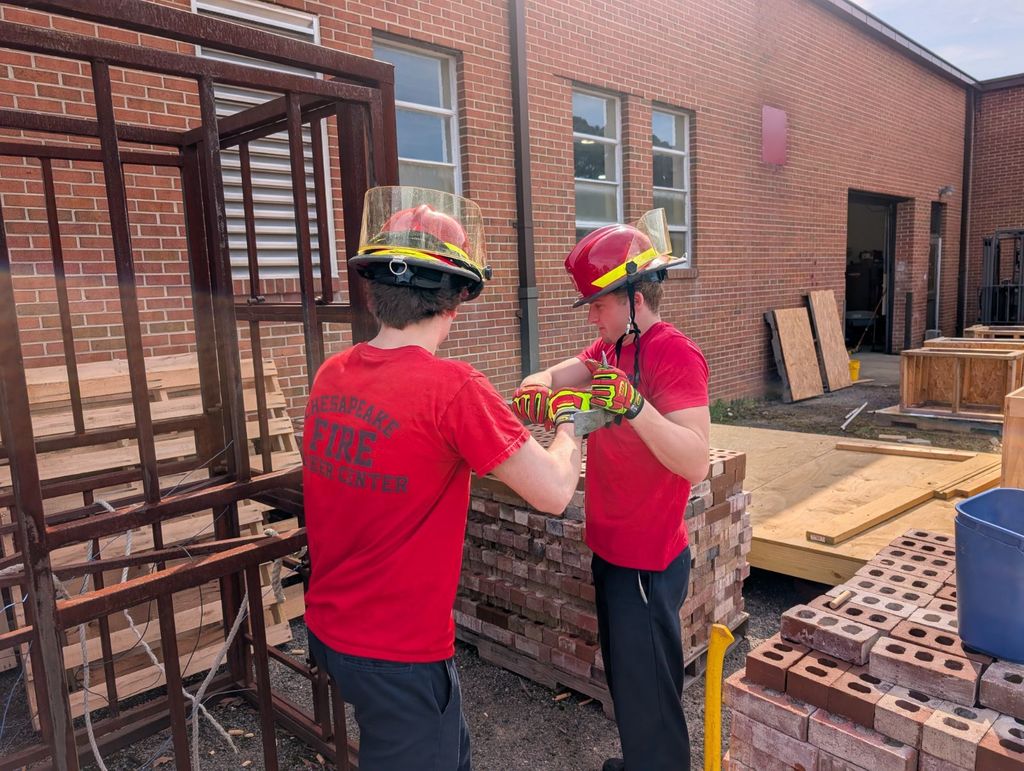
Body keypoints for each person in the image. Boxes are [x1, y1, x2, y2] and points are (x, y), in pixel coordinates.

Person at [303, 186, 586, 771]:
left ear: (375, 291)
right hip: (398, 655)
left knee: (450, 751)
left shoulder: (332, 374)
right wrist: (572, 425)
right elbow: (555, 492)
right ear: (457, 299)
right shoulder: (454, 389)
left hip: (332, 628)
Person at [513, 209, 711, 771]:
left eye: (598, 303)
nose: (592, 315)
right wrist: (539, 389)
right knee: (631, 685)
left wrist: (635, 406)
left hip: (647, 559)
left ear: (633, 299)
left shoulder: (675, 354)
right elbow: (556, 375)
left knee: (650, 698)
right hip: (612, 548)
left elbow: (694, 461)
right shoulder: (609, 350)